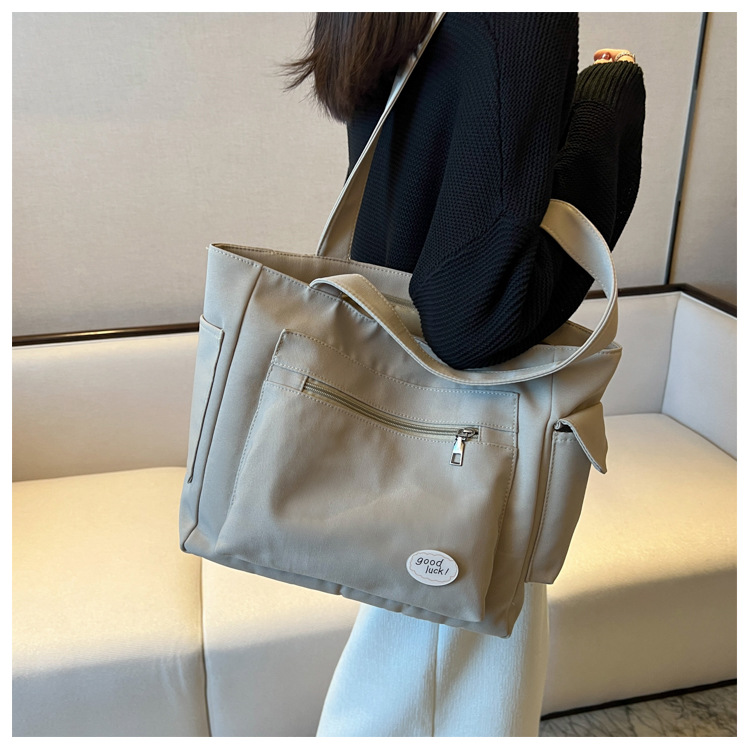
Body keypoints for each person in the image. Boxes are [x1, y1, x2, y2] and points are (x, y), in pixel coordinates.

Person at [285, 12, 645, 737]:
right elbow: (472, 314)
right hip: (474, 437)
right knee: (449, 698)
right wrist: (610, 100)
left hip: (407, 407)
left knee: (397, 687)